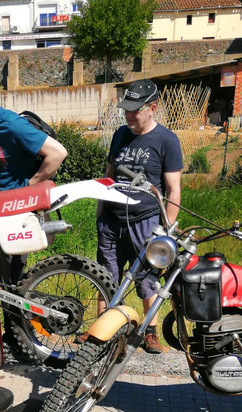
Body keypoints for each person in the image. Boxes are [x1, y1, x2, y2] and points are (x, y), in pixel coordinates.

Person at [96, 79, 183, 354]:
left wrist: (165, 232)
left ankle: (149, 332)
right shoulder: (120, 134)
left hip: (145, 222)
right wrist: (100, 215)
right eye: (126, 109)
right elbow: (109, 176)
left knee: (147, 278)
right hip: (111, 221)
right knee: (105, 277)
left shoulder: (166, 140)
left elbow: (173, 190)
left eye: (135, 109)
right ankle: (101, 334)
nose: (128, 114)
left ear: (152, 108)